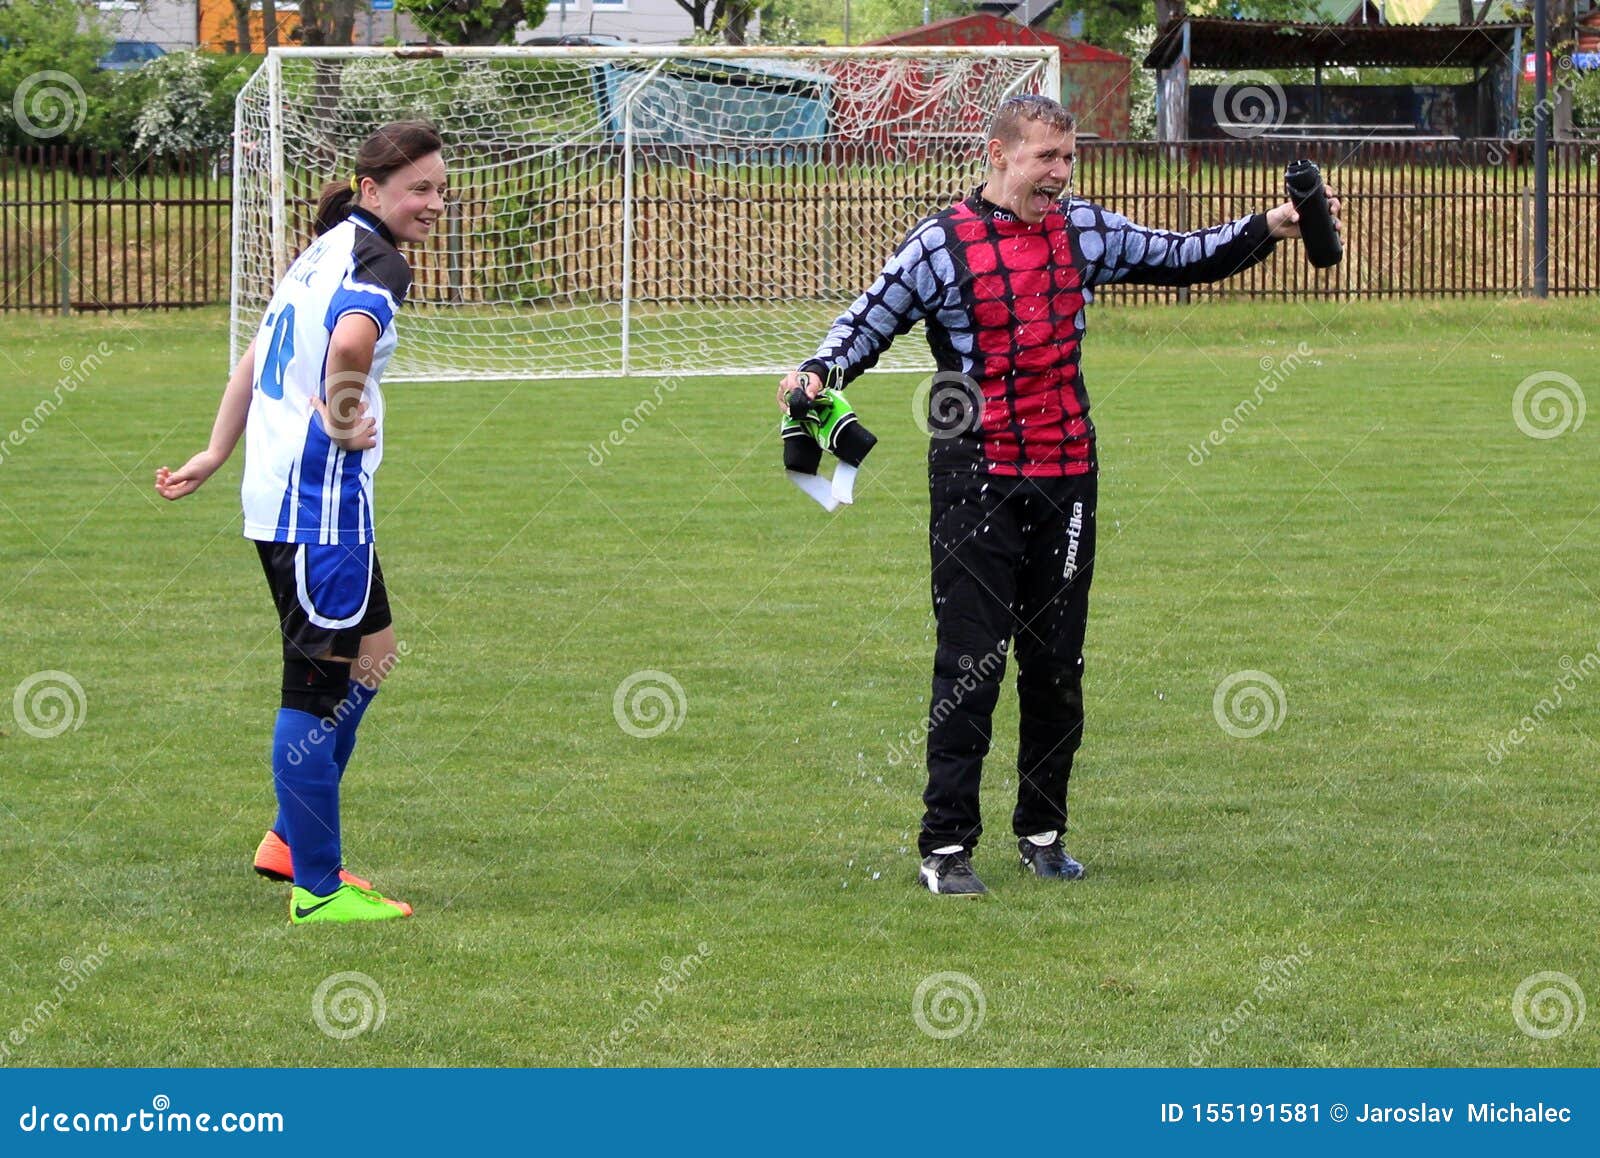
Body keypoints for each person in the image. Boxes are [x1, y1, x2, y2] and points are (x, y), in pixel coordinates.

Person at [777, 95, 1341, 896]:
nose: (1061, 174)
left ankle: (1042, 832)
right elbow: (862, 326)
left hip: (1069, 474)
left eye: (1068, 159)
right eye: (1047, 157)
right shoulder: (937, 245)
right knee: (971, 664)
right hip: (975, 480)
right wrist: (816, 375)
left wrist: (1272, 227)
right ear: (1000, 153)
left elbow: (1182, 255)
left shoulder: (1084, 231)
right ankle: (946, 847)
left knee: (1056, 666)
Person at [156, 122, 448, 923]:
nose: (432, 203)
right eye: (418, 188)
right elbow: (349, 341)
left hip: (288, 496)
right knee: (318, 690)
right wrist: (346, 411)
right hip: (318, 506)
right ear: (372, 189)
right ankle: (319, 892)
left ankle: (290, 837)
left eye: (440, 189)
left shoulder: (322, 249)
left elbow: (256, 355)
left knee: (373, 658)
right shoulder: (380, 262)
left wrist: (217, 451)